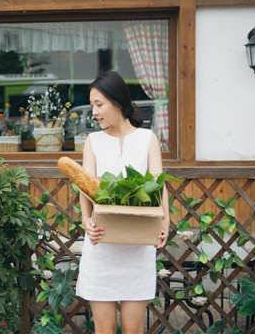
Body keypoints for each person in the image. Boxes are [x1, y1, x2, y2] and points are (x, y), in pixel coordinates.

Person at [75, 71, 169, 334]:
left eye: (99, 104)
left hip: (137, 249)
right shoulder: (93, 142)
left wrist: (165, 223)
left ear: (117, 102)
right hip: (101, 246)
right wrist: (86, 221)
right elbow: (86, 188)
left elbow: (159, 185)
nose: (94, 112)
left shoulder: (147, 139)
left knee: (133, 329)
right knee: (103, 330)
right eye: (92, 104)